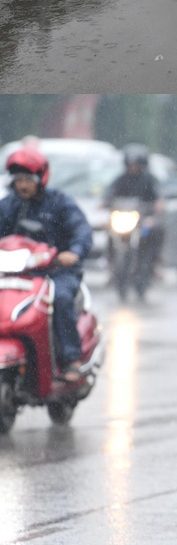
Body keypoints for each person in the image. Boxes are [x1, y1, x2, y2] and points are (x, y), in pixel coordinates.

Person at [0, 147, 93, 383]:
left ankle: (71, 359)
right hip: (18, 274)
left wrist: (73, 252)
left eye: (27, 179)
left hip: (56, 273)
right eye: (18, 179)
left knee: (60, 299)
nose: (22, 185)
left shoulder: (60, 203)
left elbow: (81, 231)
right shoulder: (8, 205)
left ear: (41, 178)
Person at [104, 144, 164, 272]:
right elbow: (110, 192)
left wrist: (158, 203)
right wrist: (104, 201)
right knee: (109, 233)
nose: (133, 168)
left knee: (156, 230)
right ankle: (111, 264)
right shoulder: (121, 179)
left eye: (135, 165)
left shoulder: (149, 180)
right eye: (130, 165)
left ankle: (155, 263)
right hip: (124, 218)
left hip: (143, 219)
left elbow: (158, 195)